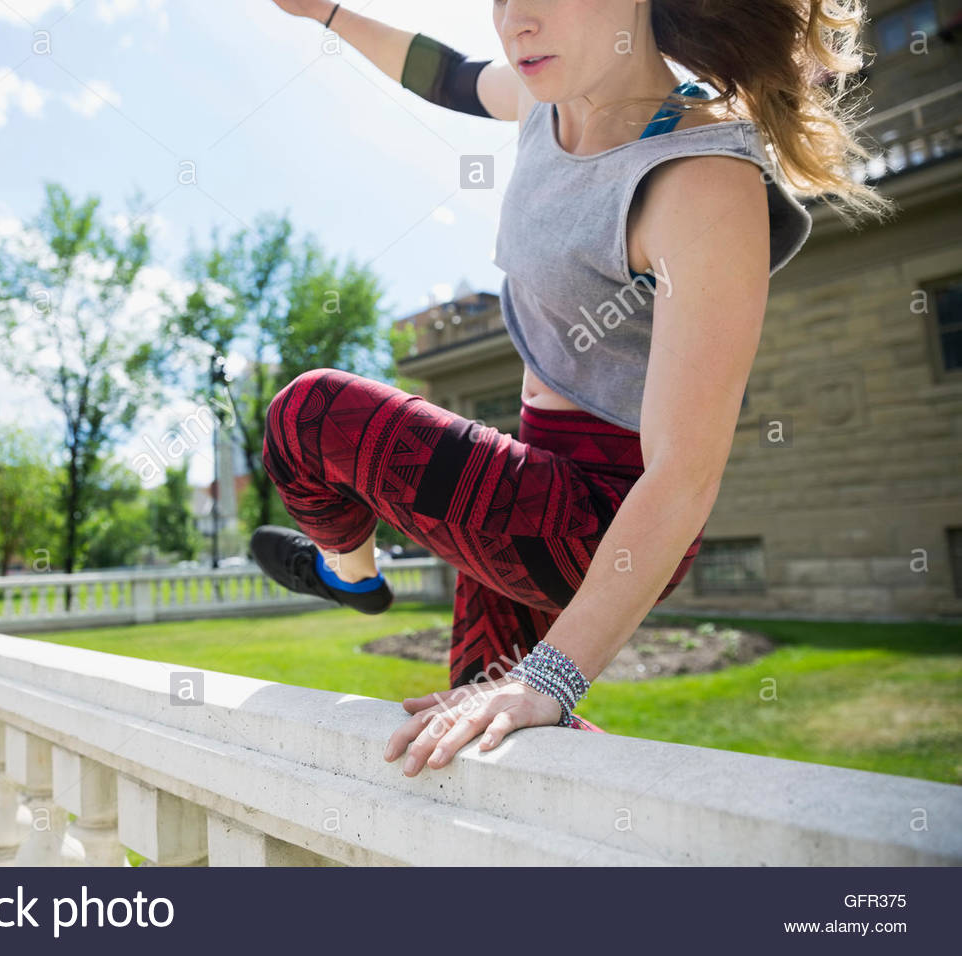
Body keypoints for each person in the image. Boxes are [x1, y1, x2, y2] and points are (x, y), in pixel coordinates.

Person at [252, 0, 891, 776]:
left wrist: (552, 675)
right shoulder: (543, 95)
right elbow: (446, 76)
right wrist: (324, 12)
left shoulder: (701, 180)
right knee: (485, 758)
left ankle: (347, 576)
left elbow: (684, 476)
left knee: (311, 415)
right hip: (527, 478)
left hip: (599, 521)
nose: (515, 21)